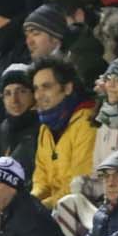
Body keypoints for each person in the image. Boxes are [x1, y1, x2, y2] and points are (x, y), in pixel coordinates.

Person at [28, 54, 96, 213]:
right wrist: (29, 201)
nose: (39, 95)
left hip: (81, 211)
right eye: (36, 88)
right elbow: (41, 182)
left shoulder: (87, 121)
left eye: (46, 86)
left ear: (67, 88)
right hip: (53, 210)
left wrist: (42, 207)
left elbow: (80, 184)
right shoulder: (45, 127)